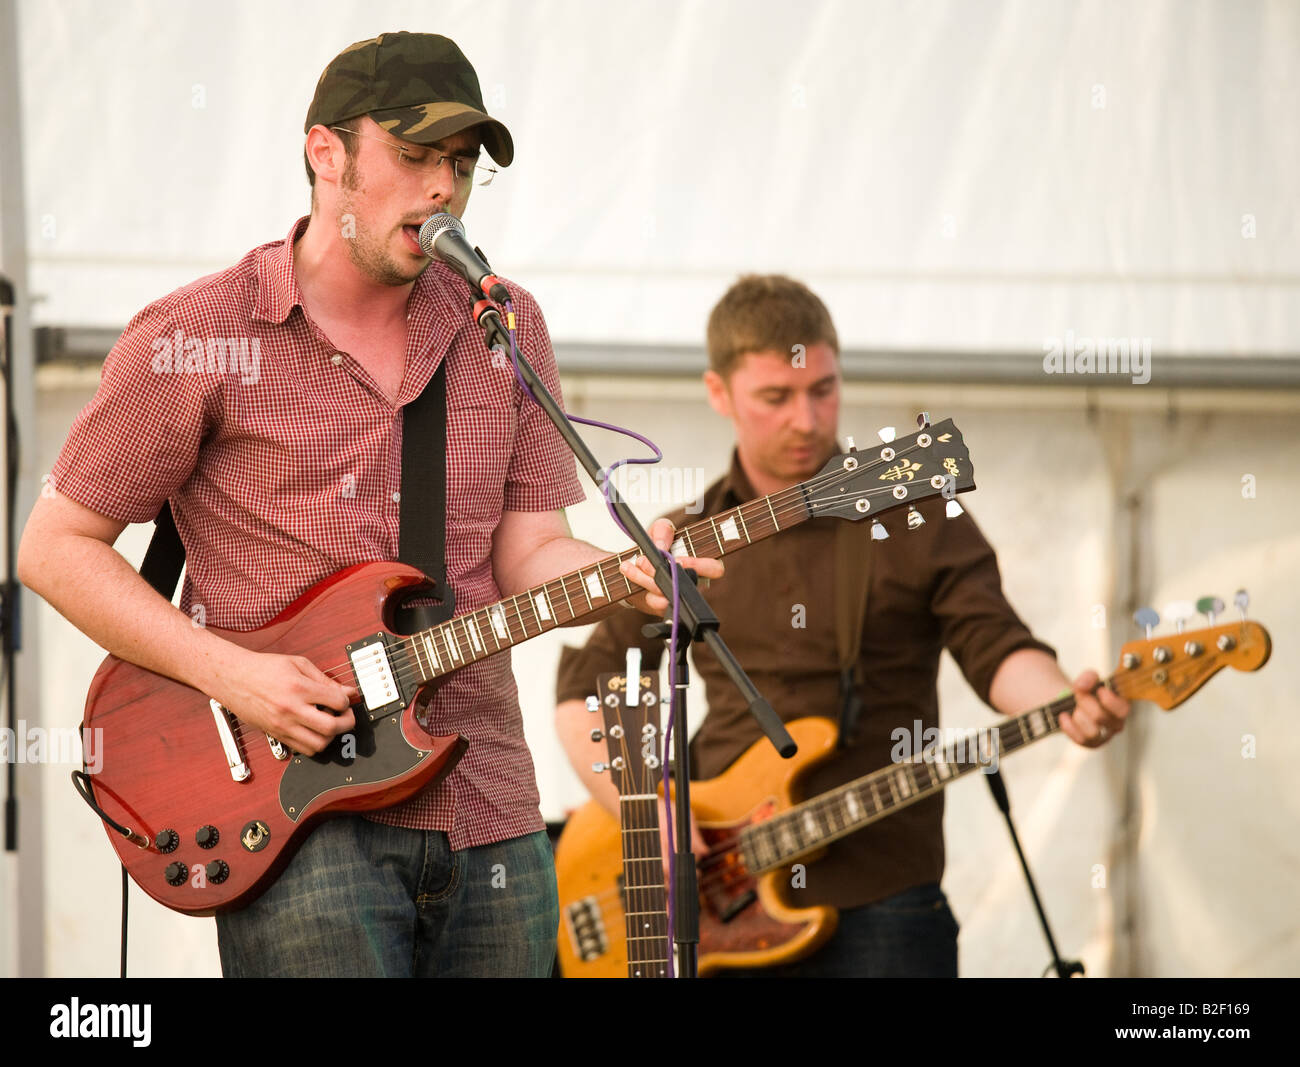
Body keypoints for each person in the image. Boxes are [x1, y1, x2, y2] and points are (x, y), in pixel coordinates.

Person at [17, 31, 717, 978]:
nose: (443, 189)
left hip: (489, 808)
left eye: (462, 165)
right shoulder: (199, 333)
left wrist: (622, 573)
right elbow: (55, 546)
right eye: (416, 155)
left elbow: (529, 553)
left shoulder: (502, 325)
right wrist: (233, 674)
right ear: (327, 155)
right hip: (300, 824)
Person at [554, 274, 1129, 977]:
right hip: (721, 904)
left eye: (822, 389)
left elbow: (996, 644)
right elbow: (584, 688)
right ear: (719, 393)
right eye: (776, 396)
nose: (806, 418)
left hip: (886, 893)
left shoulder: (913, 507)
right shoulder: (689, 539)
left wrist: (1064, 702)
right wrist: (648, 811)